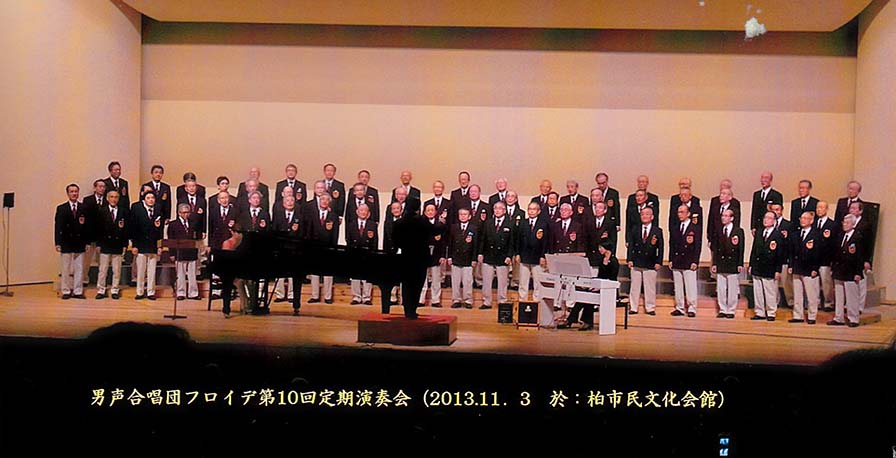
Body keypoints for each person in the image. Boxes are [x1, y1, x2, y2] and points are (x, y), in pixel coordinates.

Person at [561, 242, 618, 331]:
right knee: (584, 296)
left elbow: (613, 278)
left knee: (589, 298)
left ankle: (581, 321)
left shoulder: (614, 261)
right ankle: (574, 320)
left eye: (601, 247)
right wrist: (591, 285)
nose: (599, 249)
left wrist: (600, 287)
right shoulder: (601, 259)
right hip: (600, 285)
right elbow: (599, 276)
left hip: (609, 288)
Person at [391, 211, 433, 319]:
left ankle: (410, 310)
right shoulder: (421, 222)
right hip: (413, 259)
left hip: (414, 259)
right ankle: (410, 310)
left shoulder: (401, 223)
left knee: (411, 285)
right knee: (412, 285)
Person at [827, 214, 864, 327]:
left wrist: (858, 272)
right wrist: (833, 268)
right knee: (839, 296)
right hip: (839, 270)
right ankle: (839, 318)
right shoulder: (840, 236)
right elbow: (835, 253)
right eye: (844, 222)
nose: (844, 224)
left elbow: (860, 257)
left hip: (851, 271)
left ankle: (853, 318)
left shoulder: (858, 237)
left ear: (853, 224)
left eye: (847, 223)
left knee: (851, 296)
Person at [478, 202, 516, 310]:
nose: (497, 210)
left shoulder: (510, 223)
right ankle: (487, 302)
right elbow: (482, 239)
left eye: (500, 208)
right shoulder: (488, 222)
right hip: (488, 255)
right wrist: (480, 253)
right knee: (486, 281)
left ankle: (502, 301)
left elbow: (512, 242)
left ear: (504, 210)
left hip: (502, 256)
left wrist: (509, 256)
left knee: (502, 281)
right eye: (495, 208)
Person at [627, 206, 663, 315]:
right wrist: (629, 259)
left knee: (650, 287)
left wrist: (659, 262)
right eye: (642, 214)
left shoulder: (657, 231)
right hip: (636, 261)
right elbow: (631, 245)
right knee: (634, 286)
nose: (645, 216)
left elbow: (661, 247)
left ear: (652, 217)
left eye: (647, 214)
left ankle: (650, 308)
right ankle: (633, 307)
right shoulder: (635, 229)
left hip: (651, 262)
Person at [749, 211, 784, 321]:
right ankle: (759, 312)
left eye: (769, 218)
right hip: (758, 266)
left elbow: (780, 254)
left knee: (770, 291)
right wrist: (751, 265)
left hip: (770, 267)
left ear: (774, 221)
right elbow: (754, 250)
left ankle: (771, 312)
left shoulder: (778, 235)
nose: (766, 220)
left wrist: (778, 270)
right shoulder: (759, 232)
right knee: (758, 291)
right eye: (765, 217)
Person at [788, 211, 823, 324]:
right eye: (801, 218)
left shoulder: (816, 235)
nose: (803, 220)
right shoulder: (795, 234)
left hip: (809, 269)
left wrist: (815, 268)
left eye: (805, 218)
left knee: (811, 294)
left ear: (811, 221)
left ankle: (812, 316)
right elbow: (791, 252)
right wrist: (790, 265)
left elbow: (818, 253)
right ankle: (798, 315)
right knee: (797, 293)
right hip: (797, 267)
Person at [55, 184, 88, 299]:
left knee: (79, 268)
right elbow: (58, 227)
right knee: (65, 268)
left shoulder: (83, 207)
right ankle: (66, 290)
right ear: (68, 193)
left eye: (76, 191)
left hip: (80, 241)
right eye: (72, 191)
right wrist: (57, 243)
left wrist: (87, 242)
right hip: (66, 241)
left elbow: (87, 226)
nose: (74, 193)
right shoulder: (61, 208)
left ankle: (78, 291)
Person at [129, 190, 163, 300]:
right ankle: (140, 292)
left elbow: (160, 229)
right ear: (144, 200)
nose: (151, 200)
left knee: (152, 271)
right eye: (148, 198)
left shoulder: (158, 209)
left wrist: (159, 246)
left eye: (152, 198)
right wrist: (134, 245)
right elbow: (133, 228)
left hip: (153, 245)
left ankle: (150, 292)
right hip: (140, 244)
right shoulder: (137, 209)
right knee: (141, 270)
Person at [668, 204, 701, 317]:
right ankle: (680, 307)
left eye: (682, 212)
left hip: (689, 260)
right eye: (678, 212)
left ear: (688, 214)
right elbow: (672, 245)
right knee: (678, 286)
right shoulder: (675, 227)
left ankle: (692, 308)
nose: (680, 214)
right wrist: (671, 259)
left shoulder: (695, 228)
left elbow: (697, 246)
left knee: (690, 286)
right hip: (677, 260)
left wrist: (695, 261)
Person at [306, 193, 339, 304]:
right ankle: (314, 296)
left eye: (326, 200)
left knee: (328, 273)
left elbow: (335, 234)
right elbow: (309, 231)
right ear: (319, 201)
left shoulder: (333, 216)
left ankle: (328, 297)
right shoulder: (312, 215)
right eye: (322, 199)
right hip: (314, 248)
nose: (324, 201)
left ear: (329, 202)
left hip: (328, 248)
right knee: (314, 273)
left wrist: (333, 248)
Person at [711, 209, 744, 319]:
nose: (723, 218)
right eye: (723, 215)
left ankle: (731, 310)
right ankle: (722, 309)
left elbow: (741, 248)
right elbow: (715, 249)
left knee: (732, 288)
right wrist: (714, 263)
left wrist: (740, 263)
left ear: (732, 218)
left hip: (732, 262)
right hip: (721, 262)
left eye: (726, 216)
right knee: (721, 288)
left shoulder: (738, 231)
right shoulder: (718, 230)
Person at [96, 190, 128, 300]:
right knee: (103, 269)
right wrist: (98, 244)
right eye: (111, 197)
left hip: (118, 244)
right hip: (105, 244)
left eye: (116, 197)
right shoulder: (102, 211)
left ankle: (115, 289)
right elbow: (98, 229)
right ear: (107, 198)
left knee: (117, 269)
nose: (114, 199)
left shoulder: (123, 211)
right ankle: (101, 289)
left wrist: (125, 244)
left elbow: (125, 230)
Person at [272, 195, 303, 305]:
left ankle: (291, 295)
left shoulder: (300, 216)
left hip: (294, 250)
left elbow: (302, 233)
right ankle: (280, 294)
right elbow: (274, 231)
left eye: (292, 200)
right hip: (281, 249)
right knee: (279, 273)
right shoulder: (278, 216)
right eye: (287, 201)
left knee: (293, 274)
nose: (290, 202)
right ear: (283, 203)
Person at [207, 190, 237, 300]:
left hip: (230, 244)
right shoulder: (213, 211)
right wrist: (210, 244)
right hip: (217, 244)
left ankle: (230, 291)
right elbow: (210, 228)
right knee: (217, 267)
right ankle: (216, 291)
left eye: (226, 198)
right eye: (222, 198)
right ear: (218, 200)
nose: (224, 200)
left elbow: (238, 228)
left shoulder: (235, 211)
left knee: (230, 268)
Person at [167, 203, 200, 301]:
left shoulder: (193, 223)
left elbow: (196, 238)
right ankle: (180, 292)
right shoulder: (173, 224)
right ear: (179, 213)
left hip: (191, 252)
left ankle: (193, 293)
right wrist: (172, 253)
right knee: (180, 274)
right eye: (184, 212)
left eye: (187, 212)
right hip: (179, 252)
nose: (186, 214)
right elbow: (171, 240)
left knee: (192, 274)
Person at [517, 202, 549, 302]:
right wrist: (517, 254)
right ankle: (522, 300)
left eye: (534, 209)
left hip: (537, 257)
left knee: (538, 281)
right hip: (524, 256)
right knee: (523, 281)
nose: (531, 211)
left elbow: (546, 241)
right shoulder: (523, 223)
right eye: (530, 209)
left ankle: (537, 300)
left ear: (538, 211)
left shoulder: (543, 224)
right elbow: (518, 239)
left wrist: (543, 256)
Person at [346, 204, 378, 305]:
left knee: (367, 276)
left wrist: (374, 253)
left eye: (365, 211)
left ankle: (366, 297)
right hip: (355, 253)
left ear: (368, 213)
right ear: (357, 212)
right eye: (361, 210)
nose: (363, 212)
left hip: (368, 253)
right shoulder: (351, 224)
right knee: (355, 276)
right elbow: (348, 240)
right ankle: (356, 297)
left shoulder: (372, 225)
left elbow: (375, 241)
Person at [448, 208, 478, 309]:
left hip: (468, 259)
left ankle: (468, 300)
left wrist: (474, 259)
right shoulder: (454, 227)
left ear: (469, 216)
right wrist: (449, 257)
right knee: (455, 281)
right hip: (456, 258)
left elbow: (475, 245)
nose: (463, 216)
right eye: (461, 214)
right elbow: (450, 243)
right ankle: (456, 300)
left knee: (467, 281)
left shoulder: (473, 228)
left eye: (465, 214)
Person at [418, 204, 447, 308]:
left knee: (436, 279)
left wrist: (443, 255)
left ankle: (435, 300)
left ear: (435, 212)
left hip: (436, 255)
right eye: (428, 210)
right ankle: (420, 300)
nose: (430, 212)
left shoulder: (440, 225)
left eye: (432, 210)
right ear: (424, 212)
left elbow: (443, 242)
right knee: (422, 279)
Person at [81, 179, 107, 286]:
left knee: (102, 261)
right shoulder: (87, 200)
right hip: (90, 235)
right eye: (99, 186)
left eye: (103, 187)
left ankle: (101, 282)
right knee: (87, 260)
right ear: (95, 188)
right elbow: (85, 219)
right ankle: (84, 279)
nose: (102, 189)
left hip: (103, 236)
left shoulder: (107, 200)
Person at [770, 202, 795, 308]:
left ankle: (791, 302)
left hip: (784, 259)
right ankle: (774, 303)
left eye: (777, 209)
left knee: (787, 283)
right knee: (773, 284)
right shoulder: (769, 224)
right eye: (773, 210)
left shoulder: (788, 225)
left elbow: (792, 243)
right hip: (772, 259)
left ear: (781, 211)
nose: (775, 212)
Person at [814, 201, 838, 312]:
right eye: (818, 207)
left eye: (821, 207)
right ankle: (816, 302)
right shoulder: (813, 223)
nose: (819, 210)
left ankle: (829, 302)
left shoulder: (832, 225)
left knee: (826, 282)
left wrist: (833, 260)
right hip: (814, 259)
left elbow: (834, 244)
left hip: (826, 259)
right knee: (814, 283)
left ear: (827, 209)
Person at [383, 202, 404, 304]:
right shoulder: (387, 223)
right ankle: (393, 297)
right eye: (394, 208)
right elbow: (385, 239)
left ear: (401, 210)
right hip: (392, 252)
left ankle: (404, 298)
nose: (396, 210)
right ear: (391, 211)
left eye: (398, 208)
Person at [750, 171, 783, 235]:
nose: (764, 180)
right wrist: (753, 227)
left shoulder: (777, 195)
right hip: (758, 227)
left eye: (766, 178)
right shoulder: (756, 194)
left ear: (771, 180)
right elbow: (754, 211)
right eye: (762, 178)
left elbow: (778, 212)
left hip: (771, 227)